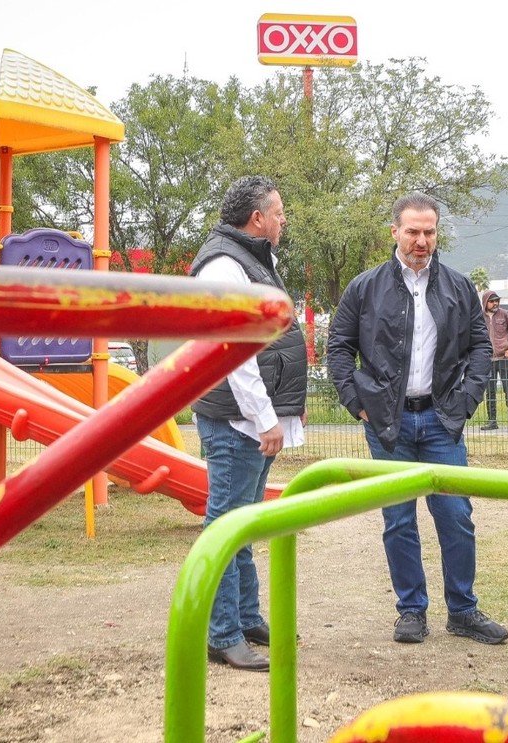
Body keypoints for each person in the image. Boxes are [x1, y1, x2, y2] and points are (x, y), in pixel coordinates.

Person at [326, 191, 508, 646]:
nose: (421, 240)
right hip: (388, 426)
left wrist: (466, 401)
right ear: (394, 232)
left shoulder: (459, 287)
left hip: (442, 420)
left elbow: (481, 349)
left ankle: (463, 610)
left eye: (429, 231)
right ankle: (411, 610)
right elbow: (338, 349)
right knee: (399, 521)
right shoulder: (364, 287)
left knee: (456, 516)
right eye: (412, 231)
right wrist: (358, 403)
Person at [188, 175, 307, 672]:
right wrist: (264, 419)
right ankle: (221, 634)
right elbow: (233, 353)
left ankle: (246, 616)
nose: (283, 221)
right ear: (257, 219)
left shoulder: (250, 258)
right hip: (237, 420)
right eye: (278, 213)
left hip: (251, 418)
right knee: (226, 525)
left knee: (245, 522)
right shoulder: (223, 265)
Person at [479, 289, 508, 430]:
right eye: (492, 301)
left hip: (505, 358)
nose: (495, 303)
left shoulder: (505, 314)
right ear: (485, 302)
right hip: (487, 360)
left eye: (497, 300)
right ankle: (492, 421)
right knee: (490, 392)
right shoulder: (479, 316)